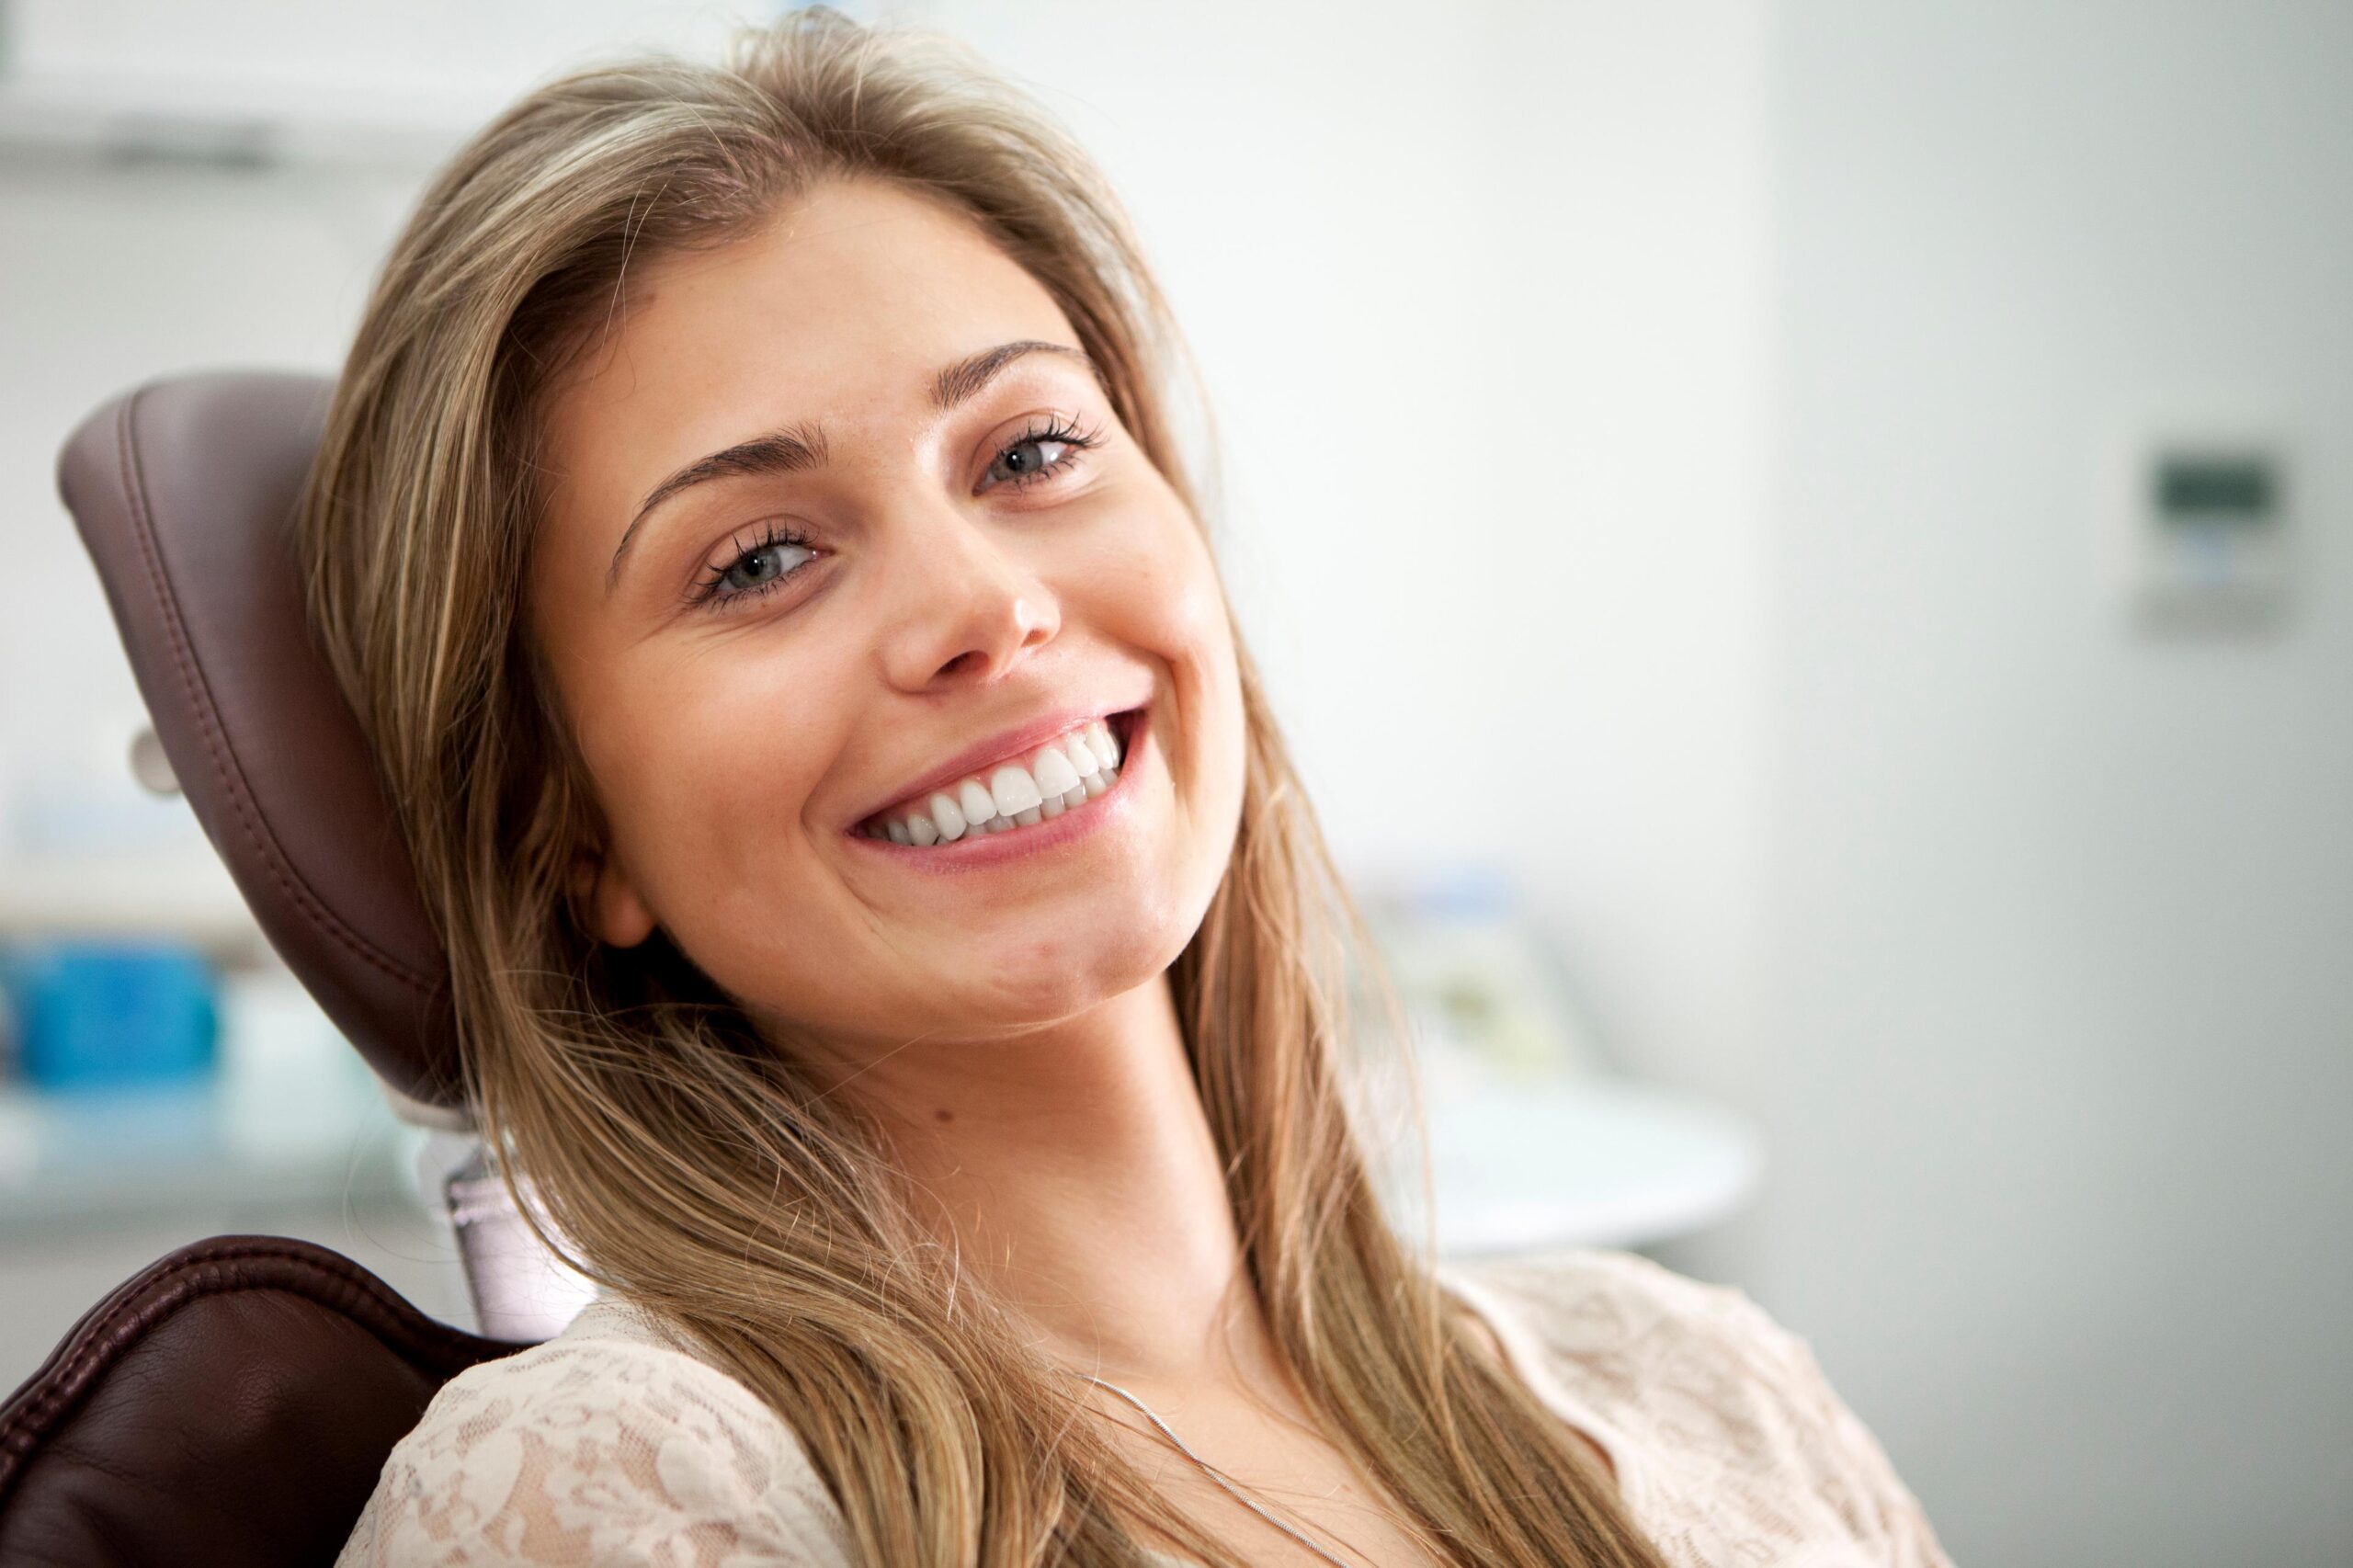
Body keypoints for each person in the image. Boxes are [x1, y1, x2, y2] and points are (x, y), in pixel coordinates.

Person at [313, 10, 1950, 1566]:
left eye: (1029, 452)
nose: (987, 607)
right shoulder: (609, 1496)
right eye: (762, 558)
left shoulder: (1701, 1381)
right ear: (574, 828)